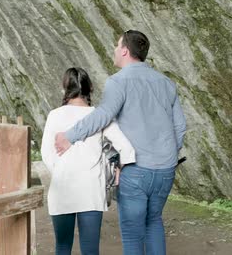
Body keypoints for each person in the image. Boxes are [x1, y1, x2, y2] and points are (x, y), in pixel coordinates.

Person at [54, 30, 187, 255]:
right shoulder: (166, 83)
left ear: (125, 50)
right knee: (154, 222)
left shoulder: (119, 81)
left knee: (133, 232)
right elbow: (180, 127)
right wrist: (167, 156)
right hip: (165, 169)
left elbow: (104, 114)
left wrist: (70, 136)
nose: (115, 50)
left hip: (136, 171)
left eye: (117, 46)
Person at [42, 67, 135, 255]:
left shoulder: (55, 115)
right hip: (91, 189)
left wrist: (62, 169)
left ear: (64, 88)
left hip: (62, 188)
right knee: (91, 250)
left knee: (62, 247)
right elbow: (126, 148)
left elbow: (47, 154)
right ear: (90, 88)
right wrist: (118, 168)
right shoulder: (100, 115)